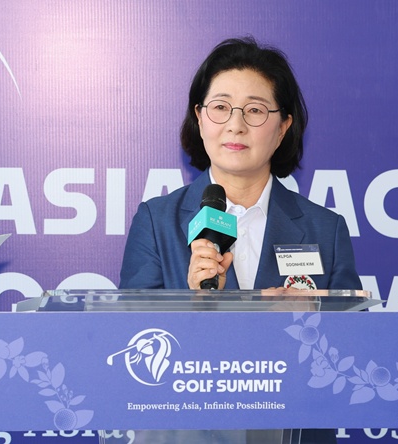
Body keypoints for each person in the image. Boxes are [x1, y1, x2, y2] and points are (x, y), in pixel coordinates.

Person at [120, 36, 362, 444]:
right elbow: (131, 349)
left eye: (255, 110)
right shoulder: (157, 221)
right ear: (199, 118)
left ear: (283, 127)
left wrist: (314, 319)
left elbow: (352, 355)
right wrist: (193, 303)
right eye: (220, 107)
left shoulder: (326, 229)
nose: (236, 124)